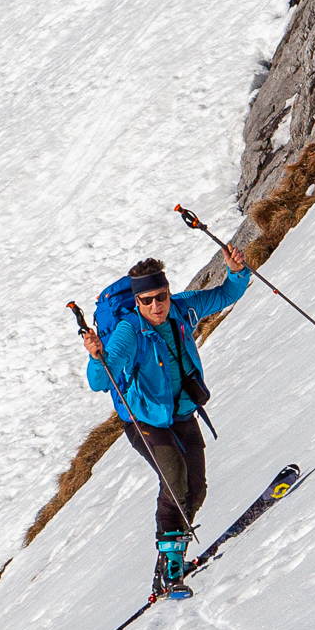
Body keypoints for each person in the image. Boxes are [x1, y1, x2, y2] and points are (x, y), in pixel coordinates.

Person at [81, 247, 250, 598]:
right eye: (147, 301)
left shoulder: (183, 309)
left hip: (181, 411)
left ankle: (171, 558)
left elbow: (224, 295)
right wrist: (98, 357)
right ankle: (171, 567)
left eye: (161, 297)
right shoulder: (130, 331)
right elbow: (101, 381)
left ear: (168, 292)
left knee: (196, 489)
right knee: (175, 481)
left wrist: (237, 272)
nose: (156, 306)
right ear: (138, 303)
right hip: (145, 420)